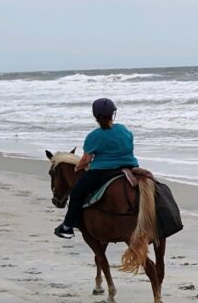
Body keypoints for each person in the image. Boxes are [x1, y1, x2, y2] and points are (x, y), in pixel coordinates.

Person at [55, 97, 138, 238]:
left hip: (103, 171)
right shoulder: (124, 130)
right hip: (131, 167)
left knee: (76, 193)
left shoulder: (94, 136)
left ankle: (68, 226)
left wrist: (77, 168)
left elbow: (86, 160)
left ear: (96, 117)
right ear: (113, 114)